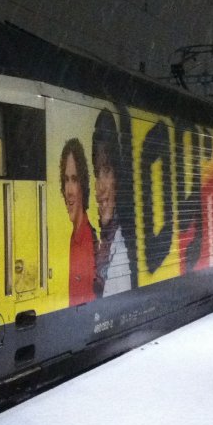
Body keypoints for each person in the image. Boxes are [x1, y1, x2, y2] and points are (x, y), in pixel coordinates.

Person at [92, 111, 132, 297]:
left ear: (118, 178)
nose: (100, 187)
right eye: (97, 173)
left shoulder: (122, 249)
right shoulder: (104, 246)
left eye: (106, 171)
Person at [60, 138, 96, 306]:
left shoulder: (87, 239)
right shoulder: (74, 238)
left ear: (83, 185)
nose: (69, 191)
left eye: (74, 179)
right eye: (66, 179)